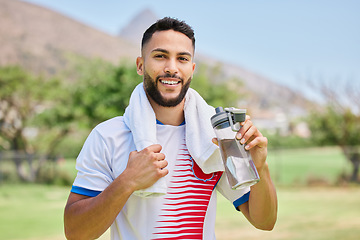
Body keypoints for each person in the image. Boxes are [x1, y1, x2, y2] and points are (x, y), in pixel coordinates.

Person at [64, 17, 277, 240]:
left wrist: (260, 168)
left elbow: (264, 221)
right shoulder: (107, 136)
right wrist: (127, 182)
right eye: (160, 56)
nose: (171, 68)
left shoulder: (215, 137)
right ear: (140, 65)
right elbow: (75, 233)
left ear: (192, 69)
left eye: (182, 59)